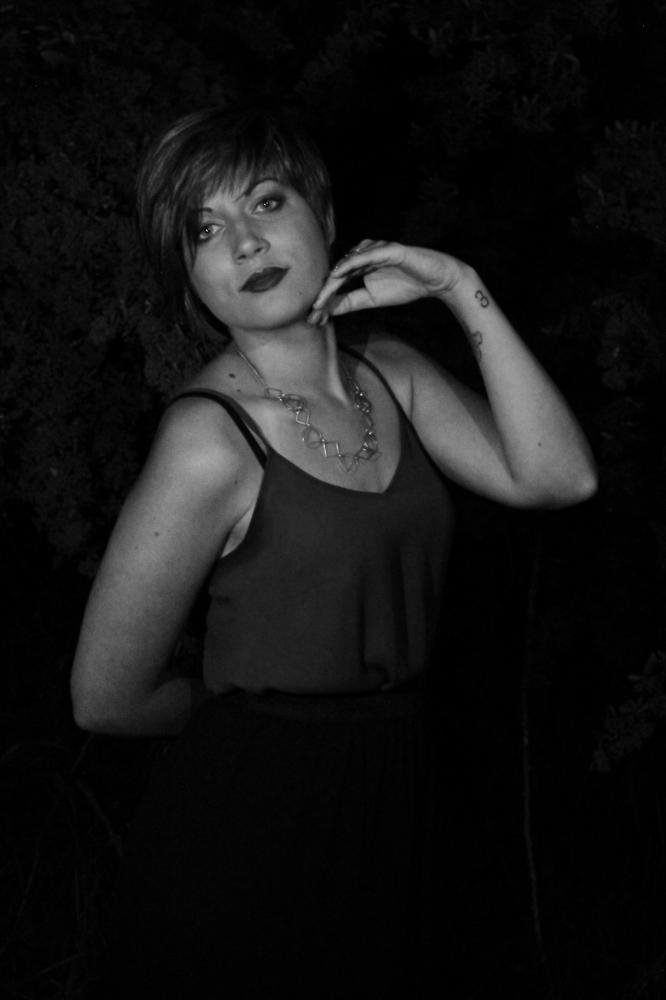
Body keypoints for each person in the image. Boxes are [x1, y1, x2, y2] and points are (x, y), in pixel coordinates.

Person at [71, 106, 597, 998]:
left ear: (322, 214)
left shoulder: (391, 372)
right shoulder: (209, 439)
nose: (245, 242)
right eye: (206, 229)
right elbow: (104, 698)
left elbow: (559, 477)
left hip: (403, 787)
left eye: (266, 202)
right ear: (190, 278)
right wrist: (248, 719)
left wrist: (458, 285)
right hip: (253, 817)